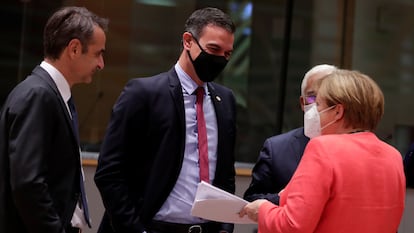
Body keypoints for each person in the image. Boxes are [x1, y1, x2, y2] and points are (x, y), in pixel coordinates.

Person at [94, 7, 237, 233]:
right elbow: (109, 172)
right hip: (153, 227)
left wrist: (225, 228)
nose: (220, 59)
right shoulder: (143, 94)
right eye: (213, 49)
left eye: (227, 54)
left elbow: (226, 175)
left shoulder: (225, 101)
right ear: (188, 41)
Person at [240, 69, 405, 233]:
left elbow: (292, 226)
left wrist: (262, 210)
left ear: (338, 111)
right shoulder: (393, 156)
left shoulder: (323, 148)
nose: (313, 112)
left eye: (318, 104)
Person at [0, 6, 108, 233]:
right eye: (98, 53)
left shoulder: (52, 94)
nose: (101, 64)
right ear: (75, 49)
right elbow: (28, 183)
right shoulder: (38, 95)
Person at [243, 64, 337, 204]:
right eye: (312, 98)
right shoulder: (277, 149)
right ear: (302, 102)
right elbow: (252, 200)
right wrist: (284, 198)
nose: (319, 104)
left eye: (328, 97)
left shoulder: (355, 150)